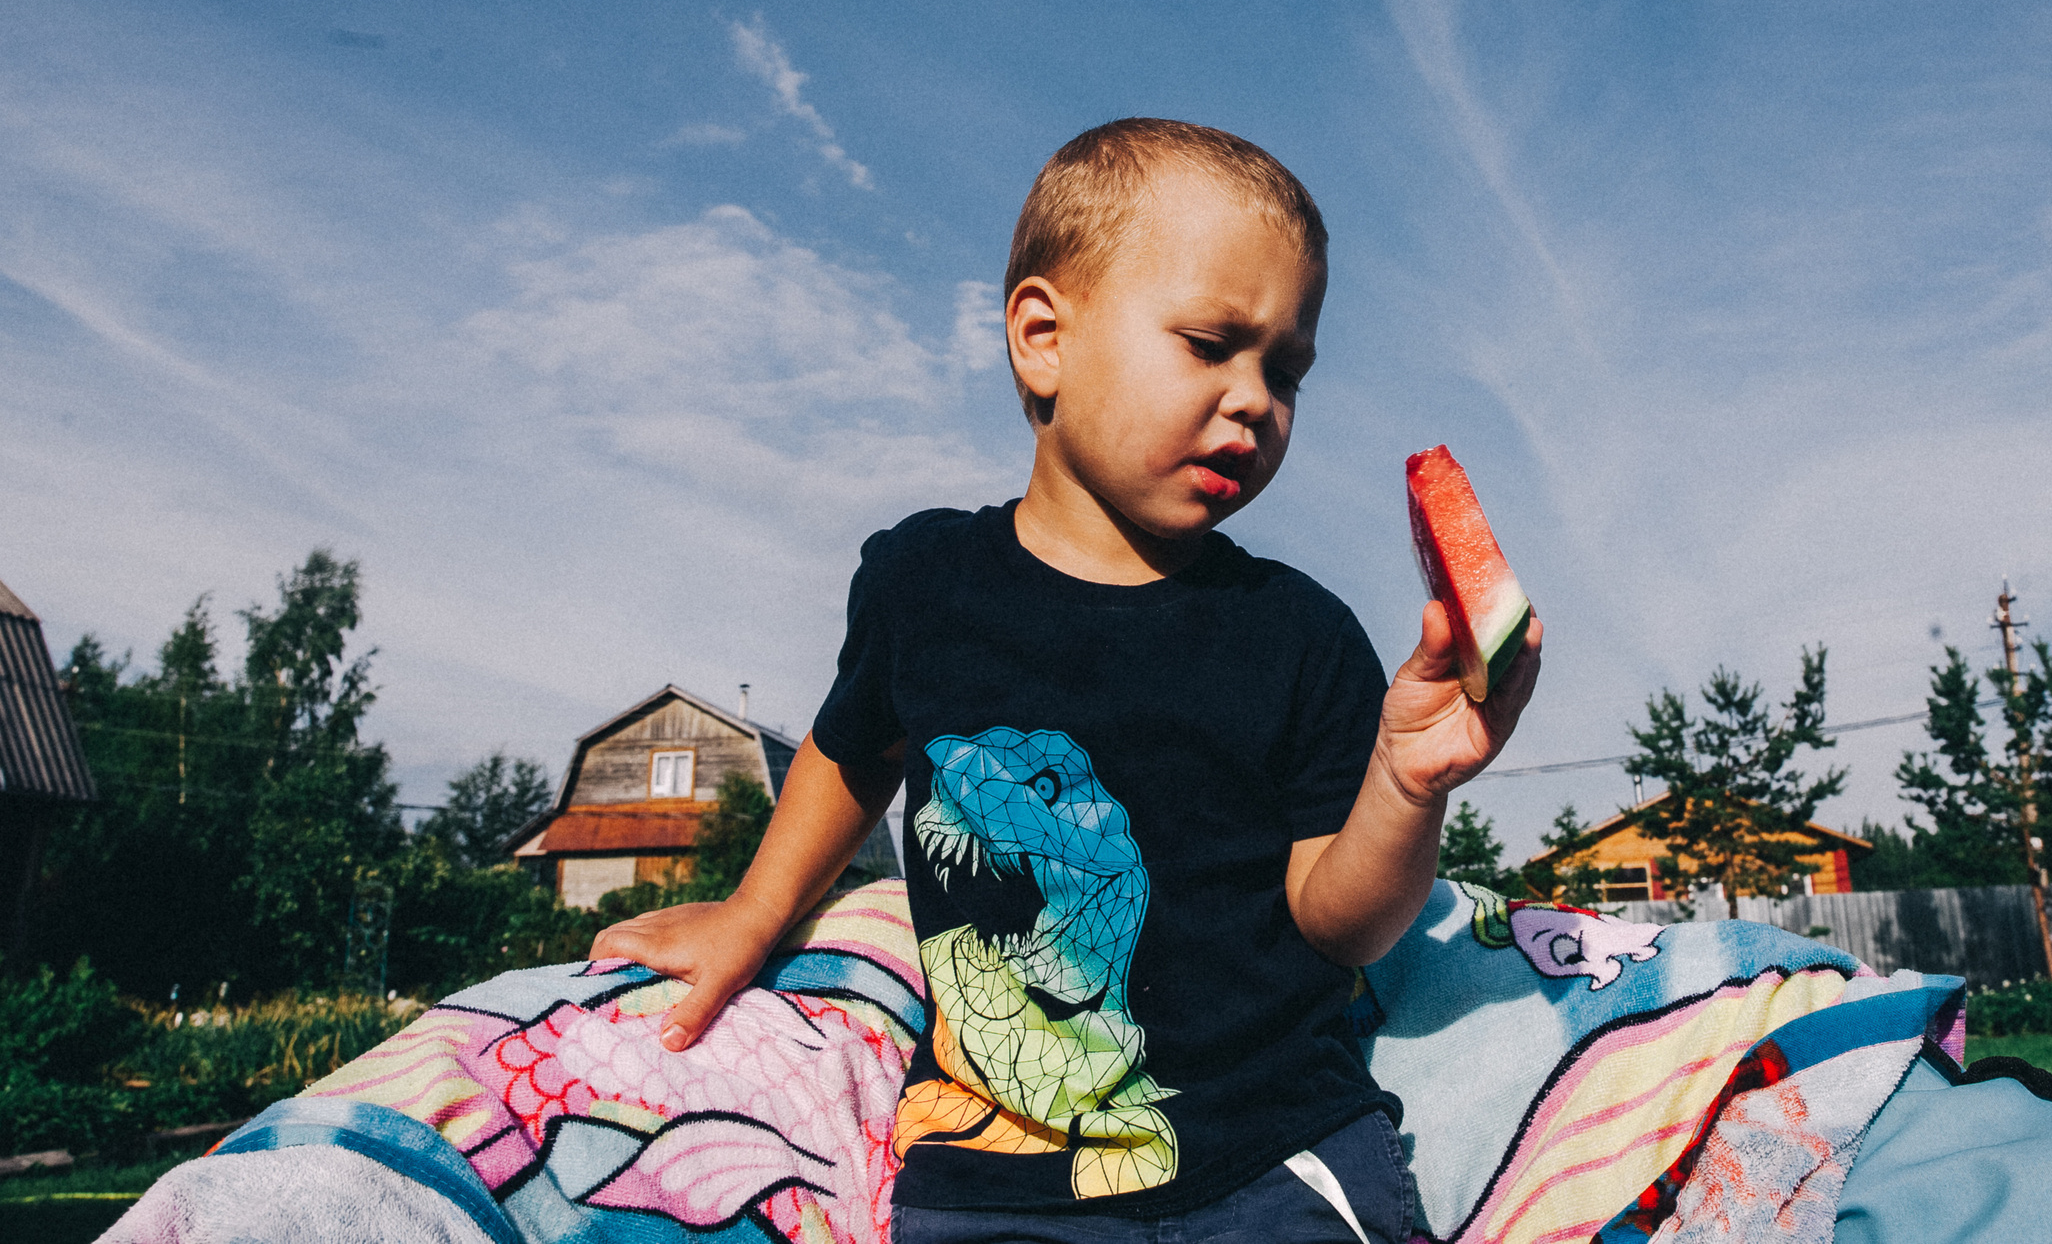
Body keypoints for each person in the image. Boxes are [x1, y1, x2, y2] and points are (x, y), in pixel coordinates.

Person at [594, 118, 1541, 1243]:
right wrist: (754, 917)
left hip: (1275, 1149)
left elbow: (1337, 926)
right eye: (1209, 343)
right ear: (1043, 338)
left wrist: (1409, 781)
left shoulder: (1300, 635)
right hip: (997, 1174)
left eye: (1285, 371)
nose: (1255, 399)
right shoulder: (923, 583)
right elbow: (854, 754)